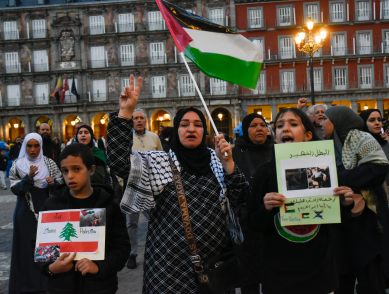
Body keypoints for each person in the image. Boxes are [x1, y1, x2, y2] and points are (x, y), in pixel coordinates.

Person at [107, 75, 249, 293]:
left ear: (204, 132)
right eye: (184, 124)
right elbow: (119, 161)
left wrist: (229, 163)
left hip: (216, 270)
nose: (191, 129)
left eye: (198, 125)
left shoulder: (217, 161)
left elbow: (243, 198)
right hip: (169, 271)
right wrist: (126, 113)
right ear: (177, 130)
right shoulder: (159, 161)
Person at [248, 108, 354, 294]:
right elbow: (252, 224)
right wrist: (266, 209)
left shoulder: (324, 168)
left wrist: (345, 203)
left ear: (307, 135)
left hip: (319, 270)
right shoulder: (264, 172)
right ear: (275, 136)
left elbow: (336, 219)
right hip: (279, 273)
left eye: (293, 124)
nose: (285, 129)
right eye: (279, 126)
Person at [321, 105, 389, 294]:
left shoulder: (360, 138)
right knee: (342, 276)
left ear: (338, 120)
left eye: (325, 119)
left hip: (367, 222)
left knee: (370, 276)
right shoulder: (327, 144)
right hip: (341, 222)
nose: (321, 124)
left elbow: (379, 168)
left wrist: (337, 179)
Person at [38, 143, 130, 294]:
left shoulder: (107, 205)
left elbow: (121, 247)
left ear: (91, 169)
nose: (70, 176)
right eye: (65, 171)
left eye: (76, 169)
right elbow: (39, 247)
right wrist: (50, 268)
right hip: (62, 286)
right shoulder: (52, 205)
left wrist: (99, 267)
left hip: (100, 287)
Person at [8, 133, 63, 294]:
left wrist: (55, 182)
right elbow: (15, 189)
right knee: (26, 248)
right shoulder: (18, 165)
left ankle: (46, 281)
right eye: (29, 146)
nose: (33, 150)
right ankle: (26, 284)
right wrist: (28, 178)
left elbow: (60, 180)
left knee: (46, 246)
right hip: (25, 213)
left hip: (47, 212)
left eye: (36, 146)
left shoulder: (49, 163)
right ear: (25, 147)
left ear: (40, 146)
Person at [359, 108, 389, 294]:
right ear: (363, 124)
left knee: (387, 247)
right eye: (372, 120)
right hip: (368, 205)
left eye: (379, 120)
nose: (378, 123)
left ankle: (386, 284)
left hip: (388, 204)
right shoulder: (358, 147)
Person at [231, 113, 274, 294]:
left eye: (263, 125)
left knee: (272, 273)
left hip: (273, 220)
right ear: (245, 130)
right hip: (247, 223)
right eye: (254, 125)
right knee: (250, 275)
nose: (259, 129)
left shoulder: (277, 150)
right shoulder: (234, 153)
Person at [125, 109, 163, 269]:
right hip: (132, 186)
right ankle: (132, 254)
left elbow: (162, 158)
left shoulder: (154, 137)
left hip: (152, 186)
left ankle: (158, 252)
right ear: (131, 121)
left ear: (146, 121)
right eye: (136, 118)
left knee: (157, 220)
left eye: (142, 118)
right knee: (131, 223)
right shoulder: (126, 138)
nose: (139, 120)